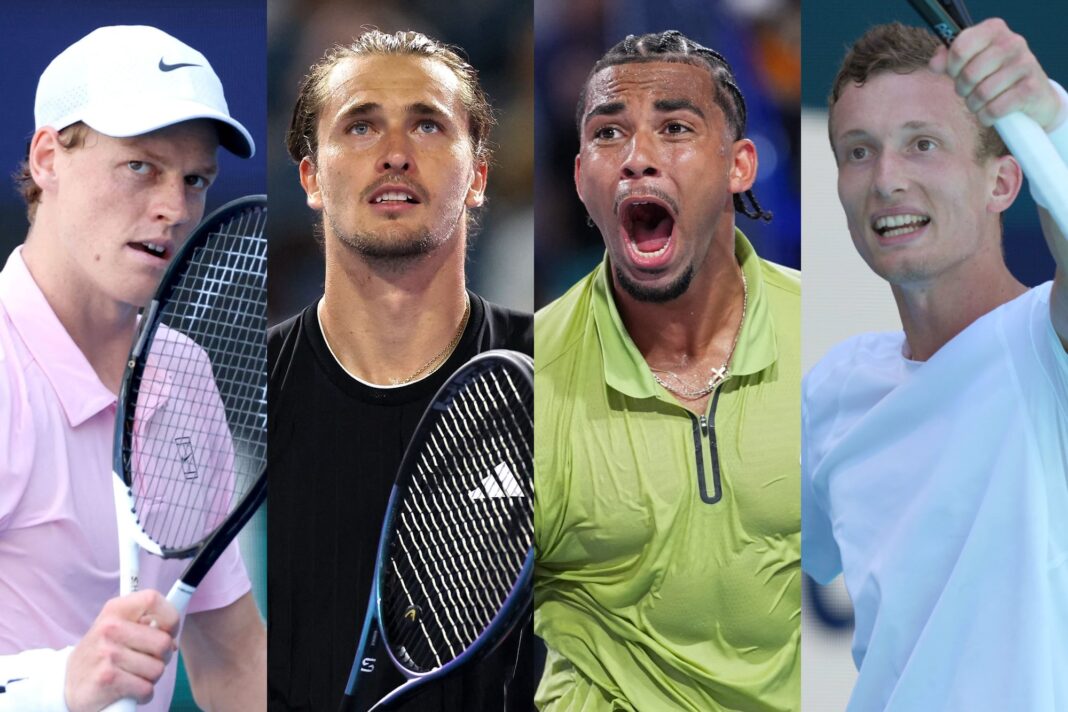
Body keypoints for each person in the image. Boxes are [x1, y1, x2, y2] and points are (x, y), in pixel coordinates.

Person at [802, 20, 1068, 710]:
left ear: (1005, 181)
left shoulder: (1048, 342)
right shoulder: (834, 390)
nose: (887, 180)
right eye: (859, 152)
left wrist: (1052, 119)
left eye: (923, 145)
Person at [0, 25, 265, 712]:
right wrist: (58, 684)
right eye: (141, 167)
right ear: (49, 157)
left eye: (195, 179)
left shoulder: (183, 370)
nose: (174, 209)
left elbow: (233, 659)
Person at [534, 30, 801, 711]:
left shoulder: (832, 339)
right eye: (608, 135)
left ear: (740, 165)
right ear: (579, 178)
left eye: (675, 127)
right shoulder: (524, 378)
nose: (637, 159)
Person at [268, 30, 534, 711]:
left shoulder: (561, 379)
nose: (394, 155)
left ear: (477, 177)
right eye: (360, 126)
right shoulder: (243, 394)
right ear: (310, 178)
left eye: (427, 124)